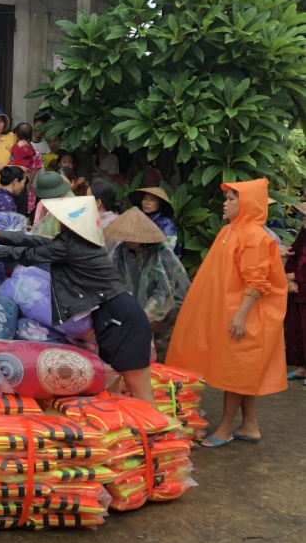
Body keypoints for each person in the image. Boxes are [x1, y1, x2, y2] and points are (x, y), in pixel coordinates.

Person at [0, 196, 156, 405]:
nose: (57, 221)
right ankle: (129, 424)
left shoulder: (74, 245)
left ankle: (154, 424)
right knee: (111, 387)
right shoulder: (77, 241)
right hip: (111, 316)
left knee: (140, 392)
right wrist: (1, 235)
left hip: (122, 319)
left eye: (62, 218)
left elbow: (32, 254)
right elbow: (41, 241)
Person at [167, 179, 287, 447]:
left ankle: (225, 429)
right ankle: (250, 426)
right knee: (243, 372)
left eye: (232, 198)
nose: (225, 203)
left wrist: (241, 315)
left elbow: (256, 282)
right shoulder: (229, 229)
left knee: (235, 372)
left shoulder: (255, 236)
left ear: (247, 204)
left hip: (247, 313)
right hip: (231, 311)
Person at [105, 207, 190, 361]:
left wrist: (146, 314)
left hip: (164, 309)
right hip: (134, 304)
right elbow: (114, 280)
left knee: (160, 344)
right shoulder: (121, 251)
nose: (129, 240)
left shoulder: (161, 253)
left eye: (133, 236)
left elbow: (164, 291)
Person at [283, 203, 306, 384]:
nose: (304, 219)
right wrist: (290, 279)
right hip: (299, 289)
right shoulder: (303, 234)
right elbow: (293, 253)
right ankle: (301, 368)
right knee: (297, 329)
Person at [129, 187, 181, 259]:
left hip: (163, 262)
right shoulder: (137, 219)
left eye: (152, 200)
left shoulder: (166, 222)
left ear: (160, 204)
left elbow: (167, 247)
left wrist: (144, 248)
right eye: (145, 198)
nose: (147, 202)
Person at [10, 123, 43, 215]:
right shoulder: (36, 153)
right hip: (27, 185)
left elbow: (14, 154)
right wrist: (28, 188)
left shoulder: (16, 147)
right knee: (25, 214)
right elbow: (32, 176)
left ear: (16, 135)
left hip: (13, 185)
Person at [31, 171, 75, 238]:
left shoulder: (72, 202)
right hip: (46, 240)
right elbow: (37, 229)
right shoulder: (42, 203)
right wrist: (43, 212)